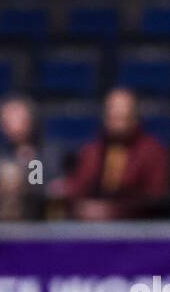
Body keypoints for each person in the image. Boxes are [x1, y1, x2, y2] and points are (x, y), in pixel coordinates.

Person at [53, 87, 169, 220]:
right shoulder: (92, 151)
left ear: (135, 117)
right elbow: (79, 186)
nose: (116, 119)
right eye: (112, 114)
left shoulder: (153, 151)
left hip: (139, 230)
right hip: (91, 229)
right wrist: (68, 192)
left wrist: (113, 211)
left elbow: (155, 198)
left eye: (122, 116)